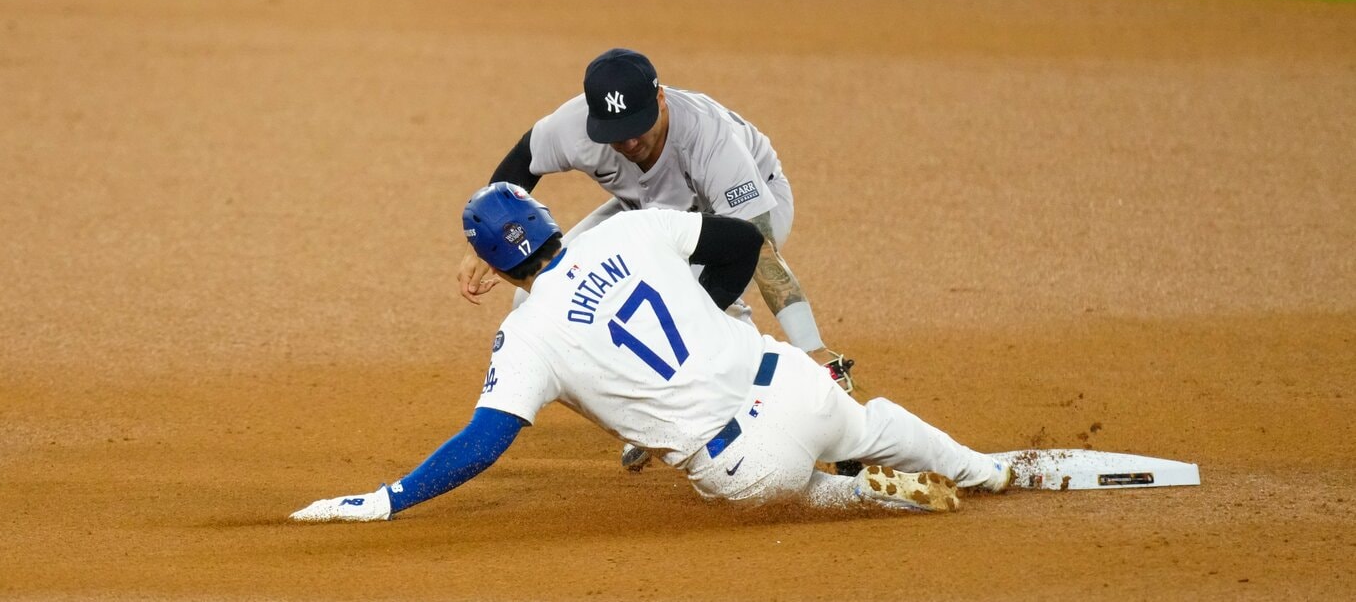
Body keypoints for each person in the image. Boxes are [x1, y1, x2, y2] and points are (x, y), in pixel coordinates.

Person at [290, 183, 1011, 523]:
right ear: (546, 221)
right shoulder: (625, 233)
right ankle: (987, 469)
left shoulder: (528, 333)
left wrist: (393, 498)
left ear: (498, 268)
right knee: (873, 422)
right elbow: (742, 243)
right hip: (793, 383)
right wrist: (709, 303)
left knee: (783, 485)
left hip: (745, 466)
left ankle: (855, 493)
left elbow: (485, 439)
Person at [455, 48, 854, 473]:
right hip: (645, 211)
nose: (627, 142)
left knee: (696, 312)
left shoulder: (711, 141)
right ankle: (655, 418)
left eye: (636, 127)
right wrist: (480, 244)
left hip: (745, 213)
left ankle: (818, 417)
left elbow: (758, 252)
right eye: (614, 131)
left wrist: (810, 345)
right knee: (536, 298)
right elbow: (523, 159)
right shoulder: (574, 127)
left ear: (660, 98)